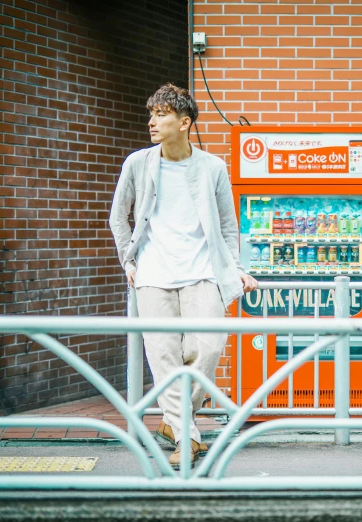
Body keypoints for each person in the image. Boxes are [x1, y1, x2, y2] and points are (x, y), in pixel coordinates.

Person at [109, 83, 257, 469]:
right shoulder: (138, 163)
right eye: (151, 114)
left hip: (203, 273)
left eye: (161, 114)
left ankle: (176, 427)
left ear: (185, 122)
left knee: (206, 351)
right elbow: (117, 217)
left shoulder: (212, 167)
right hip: (153, 275)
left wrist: (236, 269)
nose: (151, 121)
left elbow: (228, 225)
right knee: (163, 359)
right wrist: (129, 262)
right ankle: (187, 439)